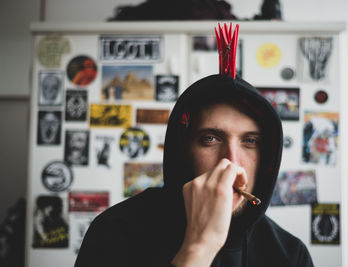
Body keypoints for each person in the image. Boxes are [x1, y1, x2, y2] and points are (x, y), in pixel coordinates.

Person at [75, 24, 314, 267]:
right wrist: (200, 246)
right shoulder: (114, 234)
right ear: (182, 151)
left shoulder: (289, 255)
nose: (231, 162)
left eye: (249, 141)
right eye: (210, 139)